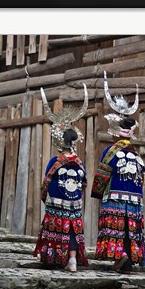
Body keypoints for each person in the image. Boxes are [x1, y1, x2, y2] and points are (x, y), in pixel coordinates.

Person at [91, 71, 145, 273]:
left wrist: (98, 193)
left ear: (115, 133)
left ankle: (121, 255)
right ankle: (129, 257)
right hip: (134, 200)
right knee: (130, 229)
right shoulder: (137, 155)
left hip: (114, 197)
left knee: (115, 228)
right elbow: (141, 179)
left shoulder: (111, 151)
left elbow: (102, 175)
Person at [33, 85, 89, 272]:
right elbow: (84, 183)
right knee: (73, 230)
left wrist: (44, 198)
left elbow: (46, 182)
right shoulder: (80, 163)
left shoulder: (55, 161)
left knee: (54, 228)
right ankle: (72, 261)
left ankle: (53, 258)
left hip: (57, 202)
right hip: (74, 203)